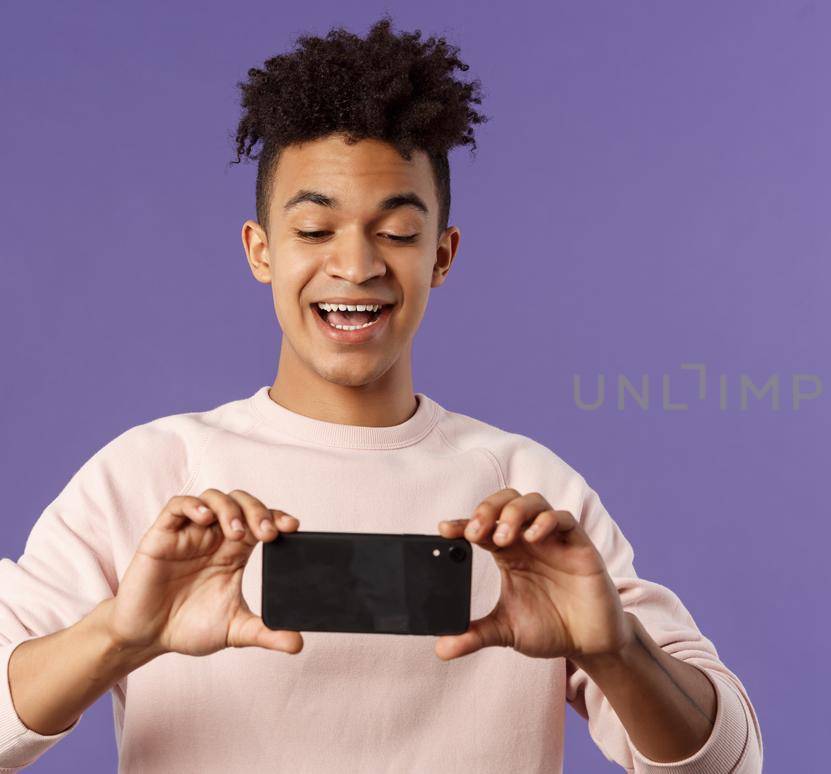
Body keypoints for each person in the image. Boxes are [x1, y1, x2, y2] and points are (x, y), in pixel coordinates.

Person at [0, 16, 762, 773]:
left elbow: (730, 763)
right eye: (314, 230)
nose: (356, 264)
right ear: (260, 250)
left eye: (397, 232)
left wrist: (615, 648)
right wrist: (119, 637)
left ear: (442, 255)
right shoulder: (152, 475)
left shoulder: (530, 497)